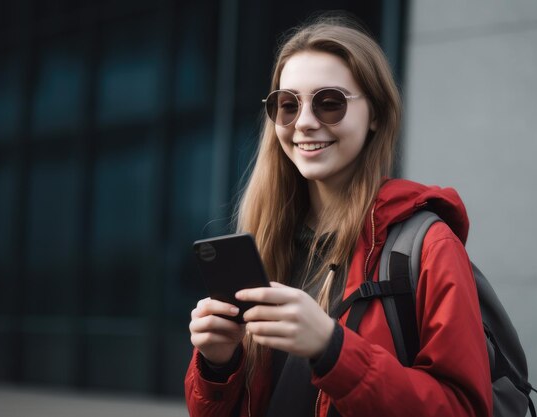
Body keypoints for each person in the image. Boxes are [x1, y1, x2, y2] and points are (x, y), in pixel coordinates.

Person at [185, 15, 492, 417]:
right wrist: (217, 364)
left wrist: (333, 349)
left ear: (377, 115)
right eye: (288, 105)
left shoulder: (429, 246)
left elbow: (465, 410)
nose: (306, 123)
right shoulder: (264, 242)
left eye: (330, 103)